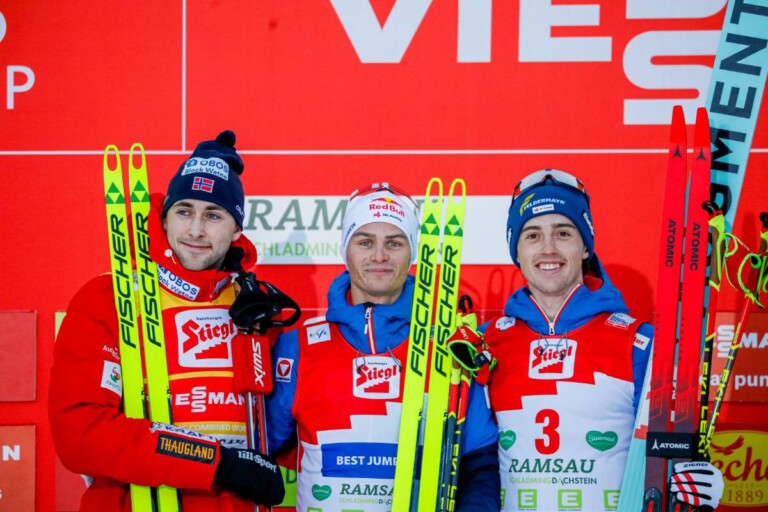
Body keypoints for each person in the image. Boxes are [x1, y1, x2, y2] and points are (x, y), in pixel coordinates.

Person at [49, 131, 285, 511]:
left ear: (237, 229)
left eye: (213, 215)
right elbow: (81, 433)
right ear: (164, 216)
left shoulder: (253, 306)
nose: (195, 230)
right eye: (184, 211)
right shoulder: (110, 297)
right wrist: (216, 462)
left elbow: (283, 426)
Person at [480, 169, 724, 511]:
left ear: (584, 247)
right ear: (516, 251)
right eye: (532, 235)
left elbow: (666, 452)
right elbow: (471, 459)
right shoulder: (485, 344)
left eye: (563, 233)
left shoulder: (638, 343)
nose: (548, 249)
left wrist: (694, 479)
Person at [265, 183, 501, 511]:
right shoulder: (298, 345)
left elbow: (479, 460)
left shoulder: (450, 346)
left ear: (413, 251)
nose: (379, 256)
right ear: (345, 249)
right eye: (365, 242)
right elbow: (264, 447)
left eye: (394, 242)